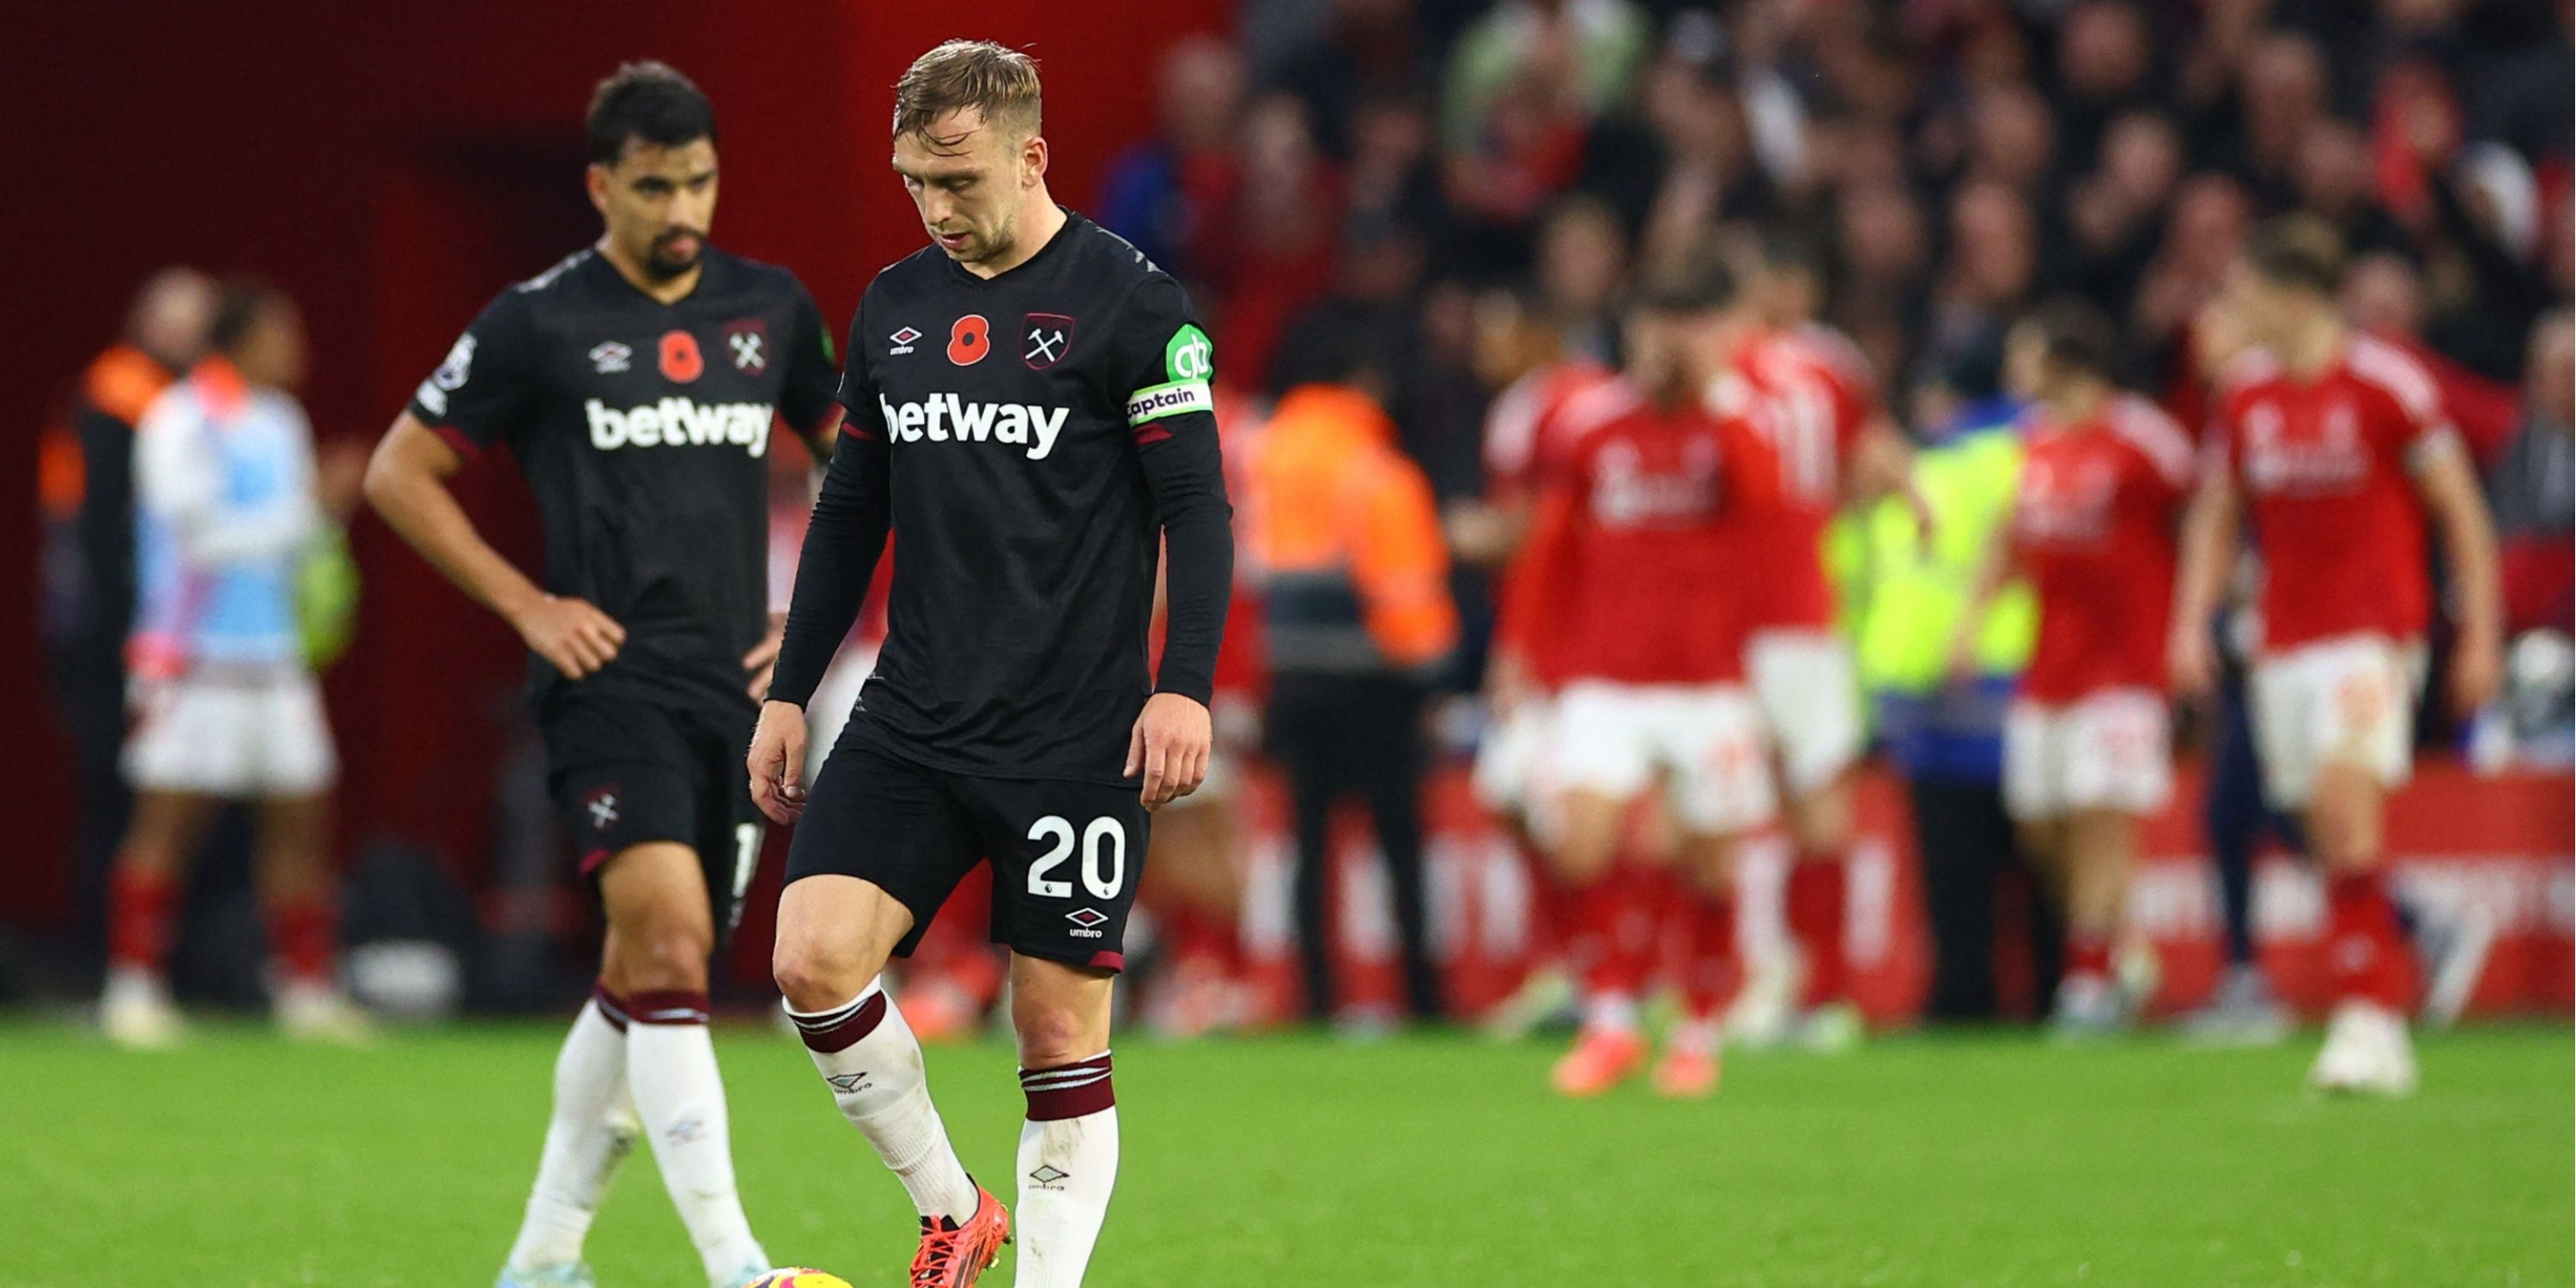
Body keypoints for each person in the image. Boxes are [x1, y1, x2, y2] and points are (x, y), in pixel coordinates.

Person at [746, 41, 1232, 1288]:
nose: (938, 208)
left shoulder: (1135, 305)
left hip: (1076, 730)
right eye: (916, 181)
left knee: (1057, 1029)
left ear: (1032, 157)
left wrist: (1183, 685)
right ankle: (953, 1207)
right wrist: (792, 689)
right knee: (808, 960)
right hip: (913, 713)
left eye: (959, 180)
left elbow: (1197, 511)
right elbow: (852, 510)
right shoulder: (896, 307)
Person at [365, 64, 842, 1288]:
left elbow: (860, 466)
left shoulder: (772, 309)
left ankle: (540, 1261)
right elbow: (397, 473)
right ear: (600, 186)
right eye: (652, 187)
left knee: (642, 981)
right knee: (674, 950)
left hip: (739, 697)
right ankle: (739, 1266)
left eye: (699, 181)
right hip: (608, 686)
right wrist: (527, 605)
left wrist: (812, 613)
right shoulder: (539, 321)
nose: (682, 207)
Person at [2172, 217, 2505, 1097]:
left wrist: (2479, 634)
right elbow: (2216, 512)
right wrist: (2188, 622)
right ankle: (2386, 1001)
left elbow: (2461, 514)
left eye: (2244, 292)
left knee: (2343, 808)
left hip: (2371, 636)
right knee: (2320, 828)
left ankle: (2367, 1016)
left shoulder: (2387, 385)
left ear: (2292, 297)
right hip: (2280, 642)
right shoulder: (2245, 394)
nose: (2231, 308)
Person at [1516, 263, 1777, 1098]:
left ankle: (1698, 1030)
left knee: (1707, 858)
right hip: (1607, 674)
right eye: (1660, 328)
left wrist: (1715, 400)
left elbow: (1770, 513)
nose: (1672, 347)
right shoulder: (1591, 426)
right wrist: (1527, 652)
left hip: (1708, 678)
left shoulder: (1739, 422)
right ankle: (1613, 1021)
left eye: (1689, 329)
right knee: (1581, 838)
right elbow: (1552, 544)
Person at [99, 280, 364, 1048]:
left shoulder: (281, 420)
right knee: (169, 822)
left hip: (274, 660)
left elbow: (294, 540)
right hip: (192, 660)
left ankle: (307, 990)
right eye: (284, 334)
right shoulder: (180, 419)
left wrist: (322, 553)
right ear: (241, 340)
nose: (298, 349)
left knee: (301, 817)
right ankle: (134, 990)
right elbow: (200, 537)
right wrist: (310, 508)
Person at [1964, 301, 2196, 1036]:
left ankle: (2089, 987)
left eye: (2025, 356)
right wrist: (1972, 621)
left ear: (2064, 362)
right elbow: (2010, 534)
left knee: (2101, 821)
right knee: (2042, 829)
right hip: (2050, 670)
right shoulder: (2034, 443)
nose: (2013, 371)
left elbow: (2201, 520)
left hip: (2124, 669)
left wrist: (2193, 625)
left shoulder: (2142, 439)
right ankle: (2123, 954)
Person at [1723, 232, 1915, 1049]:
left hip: (1731, 620)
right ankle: (1823, 993)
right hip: (1806, 616)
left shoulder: (1717, 372)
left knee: (1727, 809)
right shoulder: (1832, 365)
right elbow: (1879, 466)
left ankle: (1751, 984)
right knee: (1817, 806)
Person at [1245, 337, 1460, 1028]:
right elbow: (1406, 594)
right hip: (1375, 687)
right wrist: (1431, 679)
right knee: (1399, 844)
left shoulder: (1265, 456)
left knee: (1308, 848)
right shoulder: (1375, 469)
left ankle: (1314, 1000)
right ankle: (1424, 1000)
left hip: (1290, 677)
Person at [40, 267, 216, 985]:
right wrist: (131, 640)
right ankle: (108, 968)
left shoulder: (197, 404)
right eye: (177, 321)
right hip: (110, 640)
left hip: (176, 639)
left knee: (185, 801)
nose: (191, 337)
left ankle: (181, 962)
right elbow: (104, 536)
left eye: (201, 322)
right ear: (142, 322)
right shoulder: (119, 395)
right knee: (120, 799)